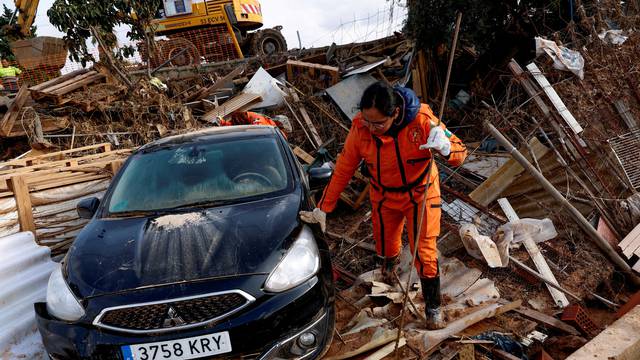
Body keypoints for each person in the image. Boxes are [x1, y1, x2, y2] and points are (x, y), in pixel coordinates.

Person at [300, 81, 467, 329]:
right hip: (383, 195)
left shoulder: (421, 121)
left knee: (425, 253)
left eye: (378, 123)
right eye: (367, 120)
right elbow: (344, 168)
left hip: (421, 194)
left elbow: (460, 152)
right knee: (387, 247)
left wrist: (444, 146)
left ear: (395, 113)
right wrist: (324, 208)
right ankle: (390, 275)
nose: (372, 128)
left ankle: (433, 308)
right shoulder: (361, 129)